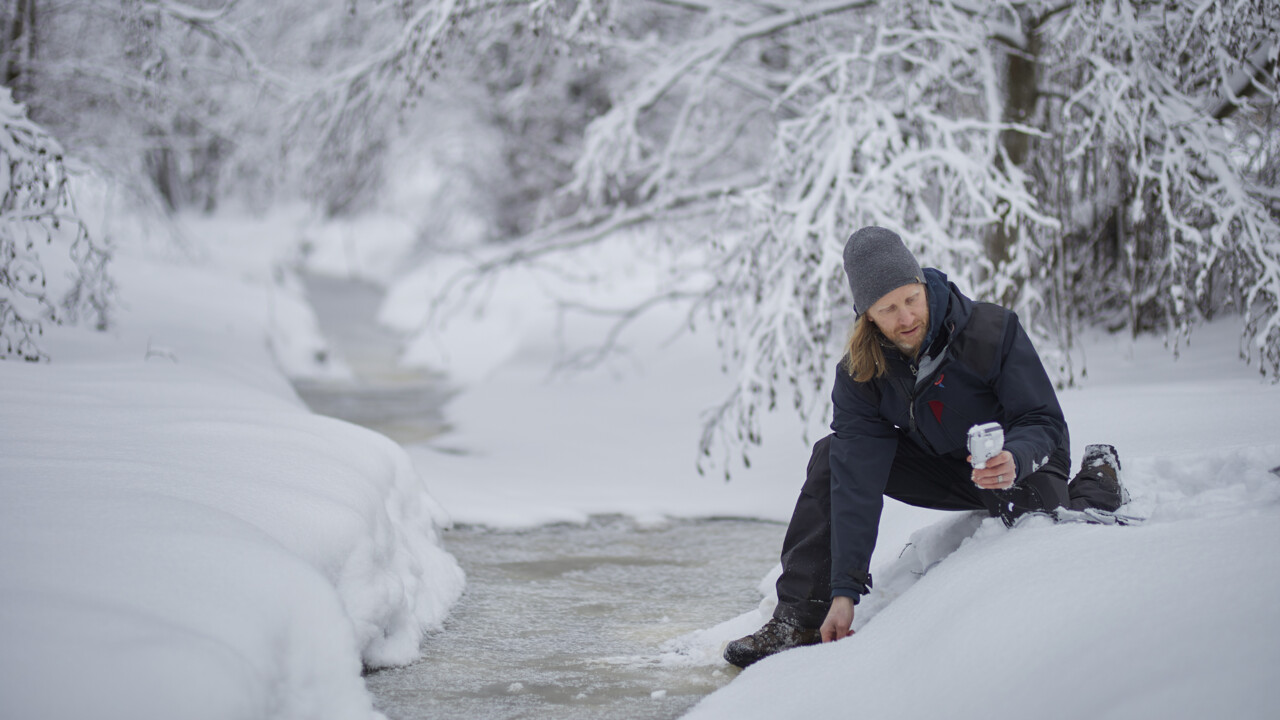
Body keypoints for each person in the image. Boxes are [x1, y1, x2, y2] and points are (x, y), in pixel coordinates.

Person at [723, 226, 1128, 669]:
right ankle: (797, 619)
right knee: (832, 455)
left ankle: (1100, 469)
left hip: (1019, 459)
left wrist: (1014, 455)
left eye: (911, 299)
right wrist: (844, 591)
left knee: (1055, 519)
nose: (906, 317)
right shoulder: (861, 371)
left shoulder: (992, 331)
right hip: (943, 468)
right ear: (867, 315)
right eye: (888, 308)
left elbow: (1042, 420)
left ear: (923, 284)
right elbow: (858, 476)